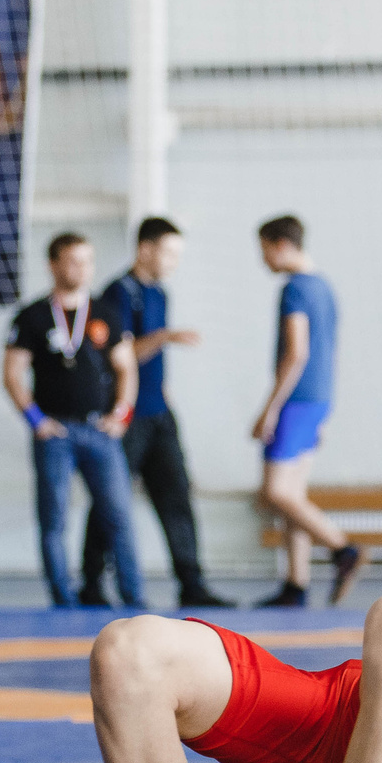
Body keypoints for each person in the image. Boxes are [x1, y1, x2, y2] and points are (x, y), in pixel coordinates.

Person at [83, 218, 229, 611]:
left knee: (176, 494)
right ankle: (91, 582)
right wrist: (164, 337)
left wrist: (165, 395)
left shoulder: (160, 293)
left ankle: (192, 583)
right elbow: (120, 355)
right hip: (128, 416)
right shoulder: (118, 293)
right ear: (145, 249)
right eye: (169, 253)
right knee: (111, 499)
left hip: (159, 413)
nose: (174, 262)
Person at [4, 232, 144, 610]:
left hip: (99, 430)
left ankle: (135, 598)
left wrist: (122, 414)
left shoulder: (106, 313)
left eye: (87, 261)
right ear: (53, 265)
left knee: (118, 514)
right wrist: (35, 420)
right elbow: (13, 374)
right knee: (54, 519)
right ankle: (63, 600)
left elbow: (127, 368)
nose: (82, 269)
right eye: (73, 261)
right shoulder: (32, 316)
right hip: (55, 432)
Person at [251, 216, 364, 609]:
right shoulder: (324, 286)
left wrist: (270, 408)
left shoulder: (295, 289)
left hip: (297, 399)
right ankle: (295, 584)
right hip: (318, 398)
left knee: (275, 491)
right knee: (293, 496)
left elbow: (297, 352)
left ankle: (343, 548)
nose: (263, 259)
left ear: (281, 245)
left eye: (264, 250)